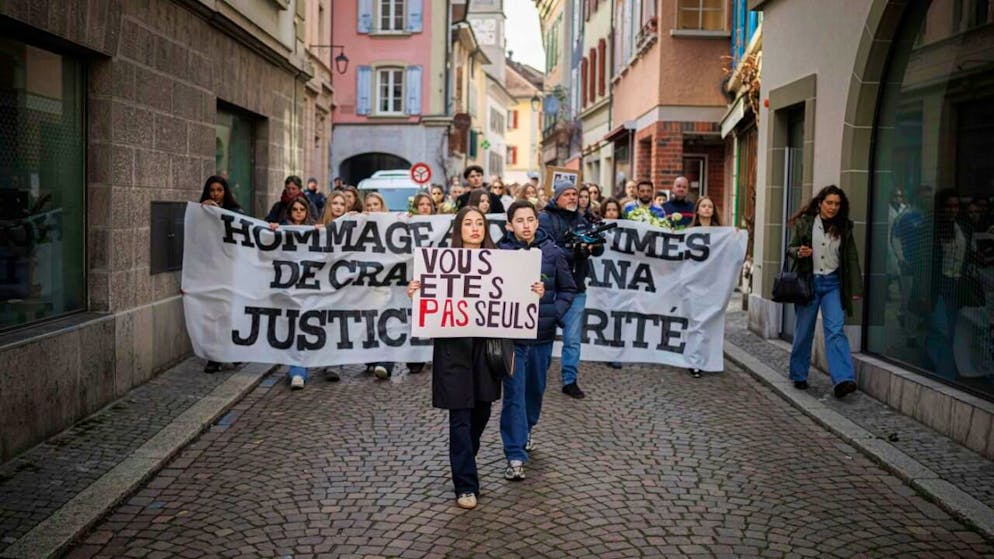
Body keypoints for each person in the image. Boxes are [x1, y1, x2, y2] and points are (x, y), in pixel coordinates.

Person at [406, 207, 519, 510]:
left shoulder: (501, 263)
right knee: (460, 418)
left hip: (485, 350)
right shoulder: (442, 263)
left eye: (478, 223)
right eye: (467, 223)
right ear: (458, 229)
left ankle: (466, 456)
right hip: (453, 350)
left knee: (480, 413)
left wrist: (532, 291)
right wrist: (416, 293)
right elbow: (430, 304)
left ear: (485, 228)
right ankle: (465, 485)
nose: (473, 228)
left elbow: (515, 298)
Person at [498, 200, 576, 479]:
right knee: (514, 396)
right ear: (509, 225)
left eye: (530, 219)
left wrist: (553, 310)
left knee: (534, 392)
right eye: (519, 220)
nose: (526, 225)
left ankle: (528, 428)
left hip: (542, 337)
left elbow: (569, 289)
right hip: (513, 339)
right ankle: (515, 455)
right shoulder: (499, 253)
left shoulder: (552, 253)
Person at [786, 185, 862, 399]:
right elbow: (790, 248)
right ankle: (799, 374)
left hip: (832, 284)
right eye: (829, 203)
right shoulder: (805, 223)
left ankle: (843, 380)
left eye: (837, 204)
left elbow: (851, 258)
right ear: (820, 203)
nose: (833, 207)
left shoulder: (844, 227)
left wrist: (855, 288)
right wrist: (799, 252)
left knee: (836, 329)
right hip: (809, 282)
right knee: (804, 331)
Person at [538, 178, 605, 399]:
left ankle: (570, 380)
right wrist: (576, 252)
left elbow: (596, 251)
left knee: (573, 338)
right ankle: (539, 375)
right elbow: (548, 250)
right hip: (550, 288)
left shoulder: (583, 219)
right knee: (545, 335)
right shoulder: (545, 219)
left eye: (575, 194)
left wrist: (594, 246)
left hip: (576, 286)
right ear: (556, 197)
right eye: (567, 194)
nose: (573, 198)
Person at [926, 188, 978, 380]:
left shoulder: (963, 227)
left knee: (951, 330)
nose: (952, 210)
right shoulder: (932, 228)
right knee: (941, 329)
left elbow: (969, 255)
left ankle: (939, 366)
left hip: (957, 284)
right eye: (948, 206)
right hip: (938, 284)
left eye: (955, 206)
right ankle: (943, 374)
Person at [267, 196, 318, 389]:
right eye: (295, 209)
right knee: (293, 330)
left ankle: (300, 370)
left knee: (303, 329)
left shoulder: (315, 231)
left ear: (306, 212)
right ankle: (297, 370)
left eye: (301, 209)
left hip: (308, 289)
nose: (298, 212)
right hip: (287, 289)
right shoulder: (280, 230)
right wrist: (270, 231)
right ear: (289, 212)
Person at [198, 175, 244, 374]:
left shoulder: (235, 212)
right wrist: (204, 213)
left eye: (219, 190)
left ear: (225, 191)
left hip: (230, 271)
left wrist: (219, 214)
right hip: (209, 270)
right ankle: (213, 357)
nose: (215, 194)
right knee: (211, 314)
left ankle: (230, 352)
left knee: (228, 313)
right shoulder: (201, 211)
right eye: (212, 190)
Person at [364, 192, 395, 379]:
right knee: (371, 320)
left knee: (388, 322)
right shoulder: (358, 224)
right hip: (368, 282)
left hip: (388, 280)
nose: (372, 208)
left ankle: (386, 362)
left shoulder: (392, 224)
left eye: (375, 204)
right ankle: (372, 357)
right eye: (368, 205)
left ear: (382, 206)